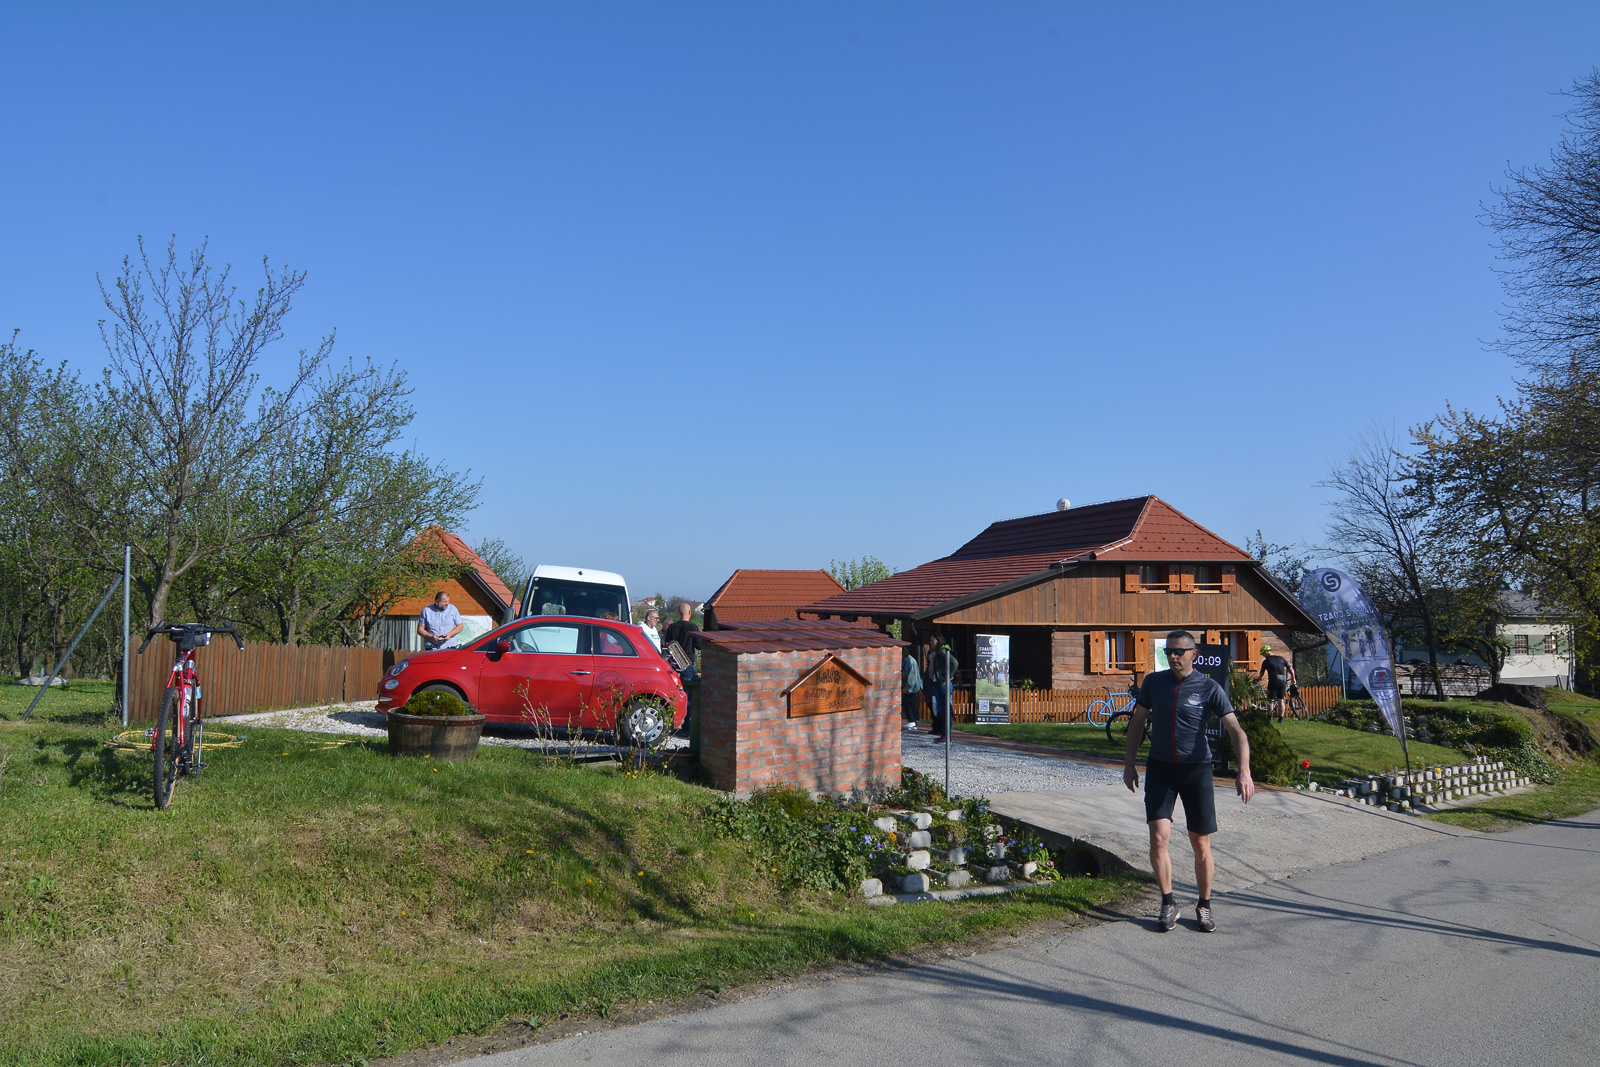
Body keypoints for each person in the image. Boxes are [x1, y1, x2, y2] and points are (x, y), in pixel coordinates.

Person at [1122, 629, 1255, 933]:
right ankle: (1168, 903)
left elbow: (1237, 732)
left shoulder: (1209, 687)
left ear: (1194, 654)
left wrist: (1243, 771)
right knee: (1158, 837)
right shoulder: (1155, 683)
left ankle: (1205, 904)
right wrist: (1129, 764)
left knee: (1201, 843)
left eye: (1179, 651)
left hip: (1196, 770)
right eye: (1169, 651)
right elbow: (1137, 723)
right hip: (1161, 768)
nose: (1173, 657)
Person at [926, 635, 957, 738]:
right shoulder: (936, 653)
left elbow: (954, 663)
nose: (931, 643)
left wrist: (949, 676)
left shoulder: (942, 652)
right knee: (942, 710)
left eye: (933, 641)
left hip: (943, 684)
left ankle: (947, 735)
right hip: (937, 682)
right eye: (930, 641)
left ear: (938, 641)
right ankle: (945, 734)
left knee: (945, 711)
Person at [663, 601, 701, 681]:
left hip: (674, 664)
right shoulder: (693, 627)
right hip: (688, 664)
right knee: (690, 689)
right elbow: (699, 645)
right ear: (689, 612)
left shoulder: (671, 627)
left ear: (678, 612)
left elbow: (667, 644)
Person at [1257, 643, 1296, 720]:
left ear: (1266, 652)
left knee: (1270, 700)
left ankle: (1269, 717)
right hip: (1282, 681)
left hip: (1273, 681)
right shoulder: (1281, 659)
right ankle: (1281, 718)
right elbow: (1291, 669)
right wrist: (1293, 678)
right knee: (1281, 700)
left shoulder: (1266, 661)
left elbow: (1261, 674)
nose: (1263, 656)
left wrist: (1258, 678)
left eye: (1263, 654)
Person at [901, 643, 923, 729]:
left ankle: (911, 720)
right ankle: (914, 722)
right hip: (912, 685)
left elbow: (912, 676)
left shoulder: (910, 661)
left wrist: (908, 688)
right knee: (911, 703)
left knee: (906, 702)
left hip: (913, 686)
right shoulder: (906, 660)